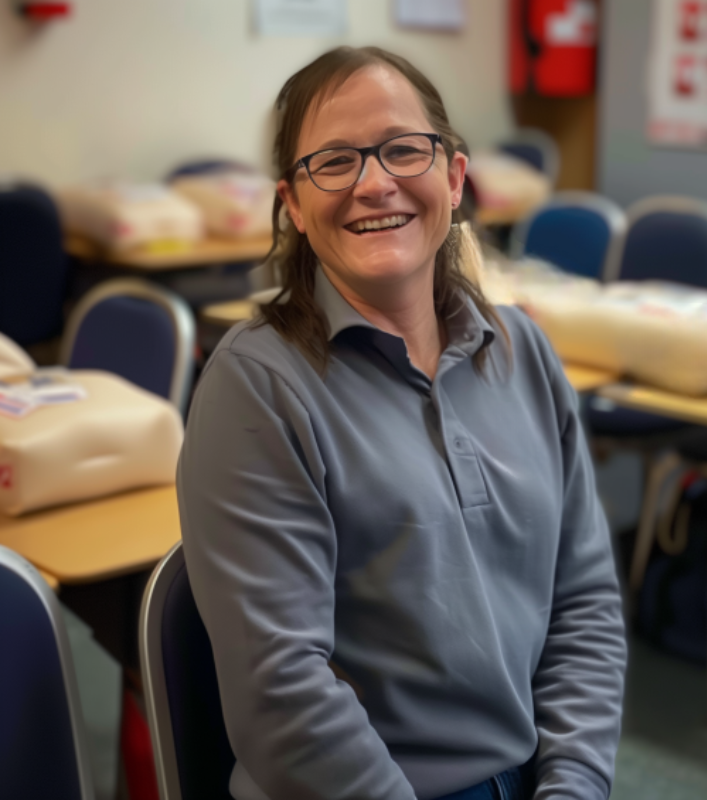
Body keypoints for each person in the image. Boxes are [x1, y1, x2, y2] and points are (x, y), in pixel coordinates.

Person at [177, 46, 626, 800]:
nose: (373, 182)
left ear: (453, 179)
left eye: (402, 149)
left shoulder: (526, 353)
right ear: (292, 203)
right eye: (334, 161)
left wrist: (573, 785)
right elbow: (282, 692)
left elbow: (584, 602)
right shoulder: (255, 386)